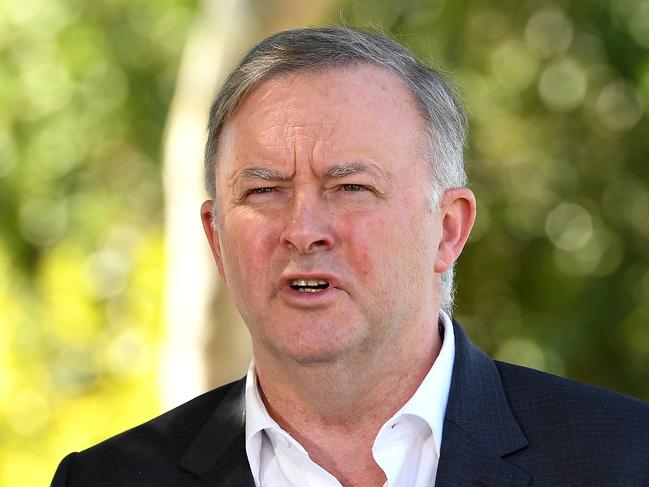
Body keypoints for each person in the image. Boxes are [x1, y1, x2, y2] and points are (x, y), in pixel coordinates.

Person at [52, 26, 649, 487]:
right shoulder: (105, 478)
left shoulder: (626, 459)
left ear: (446, 229)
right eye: (264, 191)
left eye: (350, 188)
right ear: (216, 240)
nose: (303, 230)